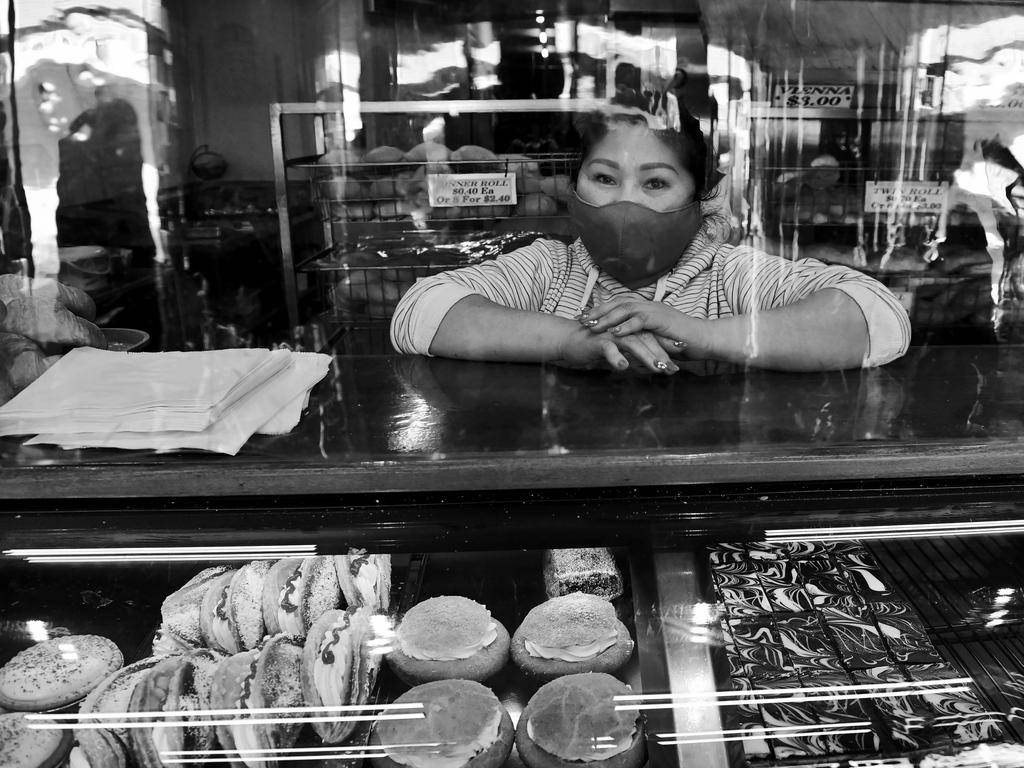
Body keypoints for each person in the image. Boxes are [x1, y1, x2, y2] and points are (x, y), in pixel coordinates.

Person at [390, 108, 910, 373]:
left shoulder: (726, 273)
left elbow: (880, 319)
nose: (626, 201)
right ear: (574, 191)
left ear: (699, 199)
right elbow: (420, 313)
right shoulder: (550, 267)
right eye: (605, 178)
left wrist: (695, 332)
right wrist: (575, 342)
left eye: (656, 183)